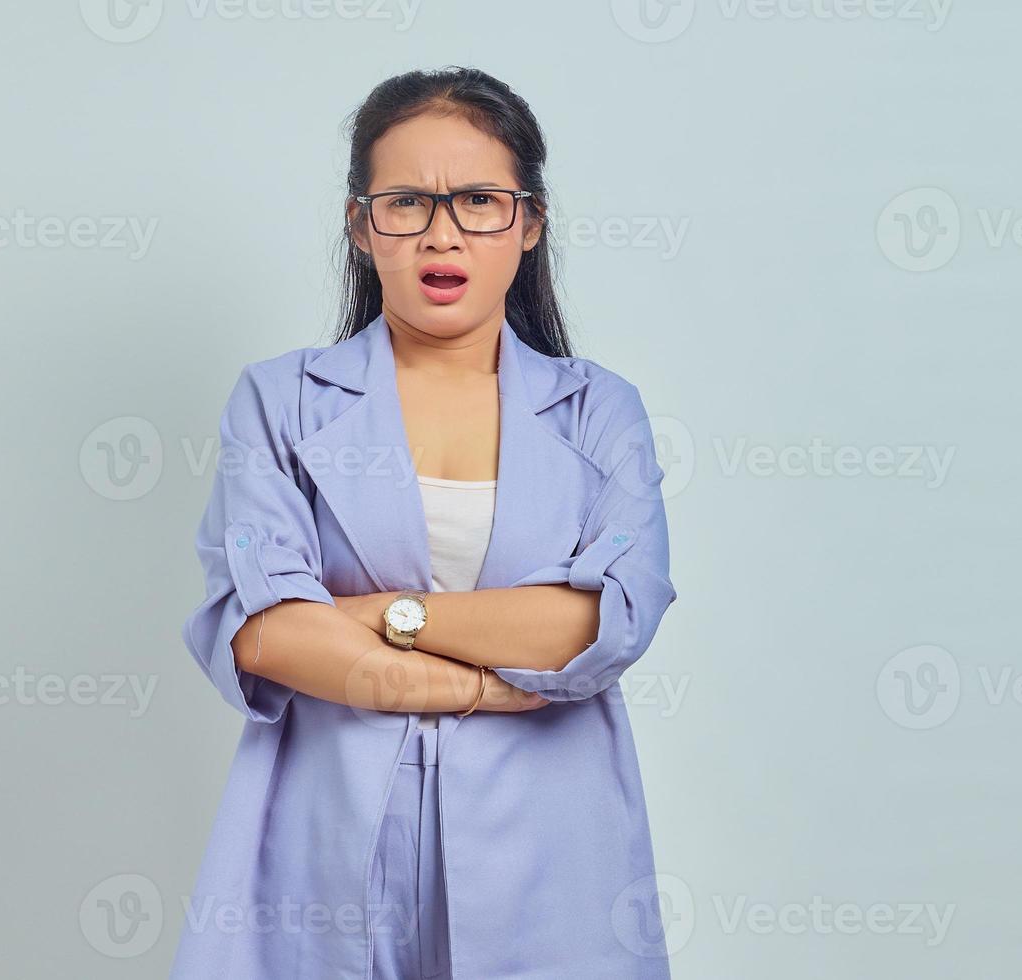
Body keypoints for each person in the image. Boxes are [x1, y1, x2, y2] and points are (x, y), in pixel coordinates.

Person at [170, 66, 678, 980]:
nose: (442, 232)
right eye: (406, 202)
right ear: (362, 226)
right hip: (329, 830)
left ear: (529, 222)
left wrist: (379, 616)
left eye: (479, 200)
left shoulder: (600, 411)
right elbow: (266, 635)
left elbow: (598, 621)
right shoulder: (280, 402)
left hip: (548, 836)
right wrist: (480, 688)